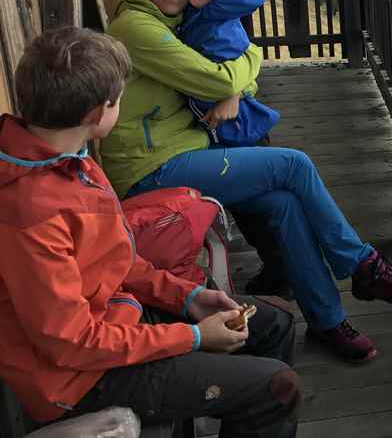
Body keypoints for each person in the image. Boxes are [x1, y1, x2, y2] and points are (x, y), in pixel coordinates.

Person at [100, 0, 392, 363]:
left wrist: (236, 85)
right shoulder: (136, 28)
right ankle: (363, 266)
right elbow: (221, 78)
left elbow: (237, 68)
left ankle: (328, 320)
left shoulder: (177, 20)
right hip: (150, 170)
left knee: (285, 206)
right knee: (294, 165)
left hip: (186, 153)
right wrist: (237, 77)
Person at [0, 27, 300, 437]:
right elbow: (69, 343)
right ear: (96, 114)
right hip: (78, 379)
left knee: (275, 321)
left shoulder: (67, 158)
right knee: (275, 388)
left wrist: (188, 296)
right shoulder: (29, 209)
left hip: (118, 318)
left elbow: (117, 260)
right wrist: (192, 337)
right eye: (119, 97)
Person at [179, 0, 280, 147]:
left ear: (226, 1)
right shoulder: (201, 15)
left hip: (234, 128)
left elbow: (223, 81)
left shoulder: (221, 36)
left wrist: (233, 94)